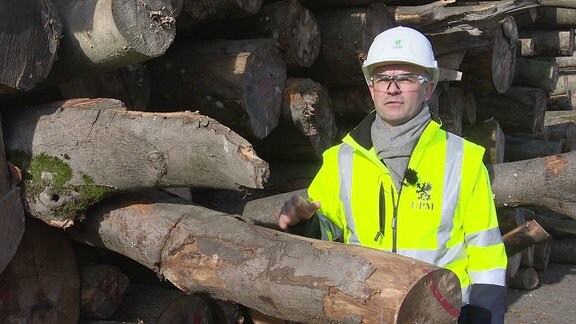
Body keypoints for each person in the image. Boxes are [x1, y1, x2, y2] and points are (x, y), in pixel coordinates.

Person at [278, 26, 508, 323]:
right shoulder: (341, 159)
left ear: (429, 87)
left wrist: (483, 318)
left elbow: (485, 250)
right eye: (383, 78)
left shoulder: (463, 159)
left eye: (406, 78)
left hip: (442, 314)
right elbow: (324, 232)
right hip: (364, 311)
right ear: (371, 88)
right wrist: (303, 222)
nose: (392, 87)